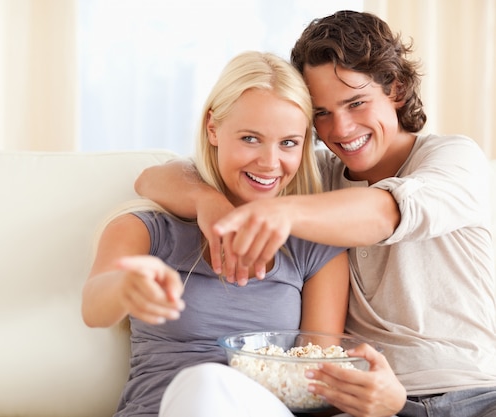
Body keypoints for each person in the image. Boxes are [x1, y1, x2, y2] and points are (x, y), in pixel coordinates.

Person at [135, 10, 496, 417]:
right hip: (361, 402)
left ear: (395, 89)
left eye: (356, 103)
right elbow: (156, 177)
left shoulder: (452, 158)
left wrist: (279, 214)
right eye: (322, 113)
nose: (341, 129)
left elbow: (384, 213)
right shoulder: (318, 174)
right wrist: (209, 203)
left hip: (474, 395)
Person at [81, 51, 350, 417]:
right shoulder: (151, 229)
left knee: (211, 384)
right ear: (213, 128)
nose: (271, 162)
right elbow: (94, 308)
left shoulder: (316, 248)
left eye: (288, 143)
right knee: (204, 384)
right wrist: (127, 286)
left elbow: (316, 380)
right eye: (251, 138)